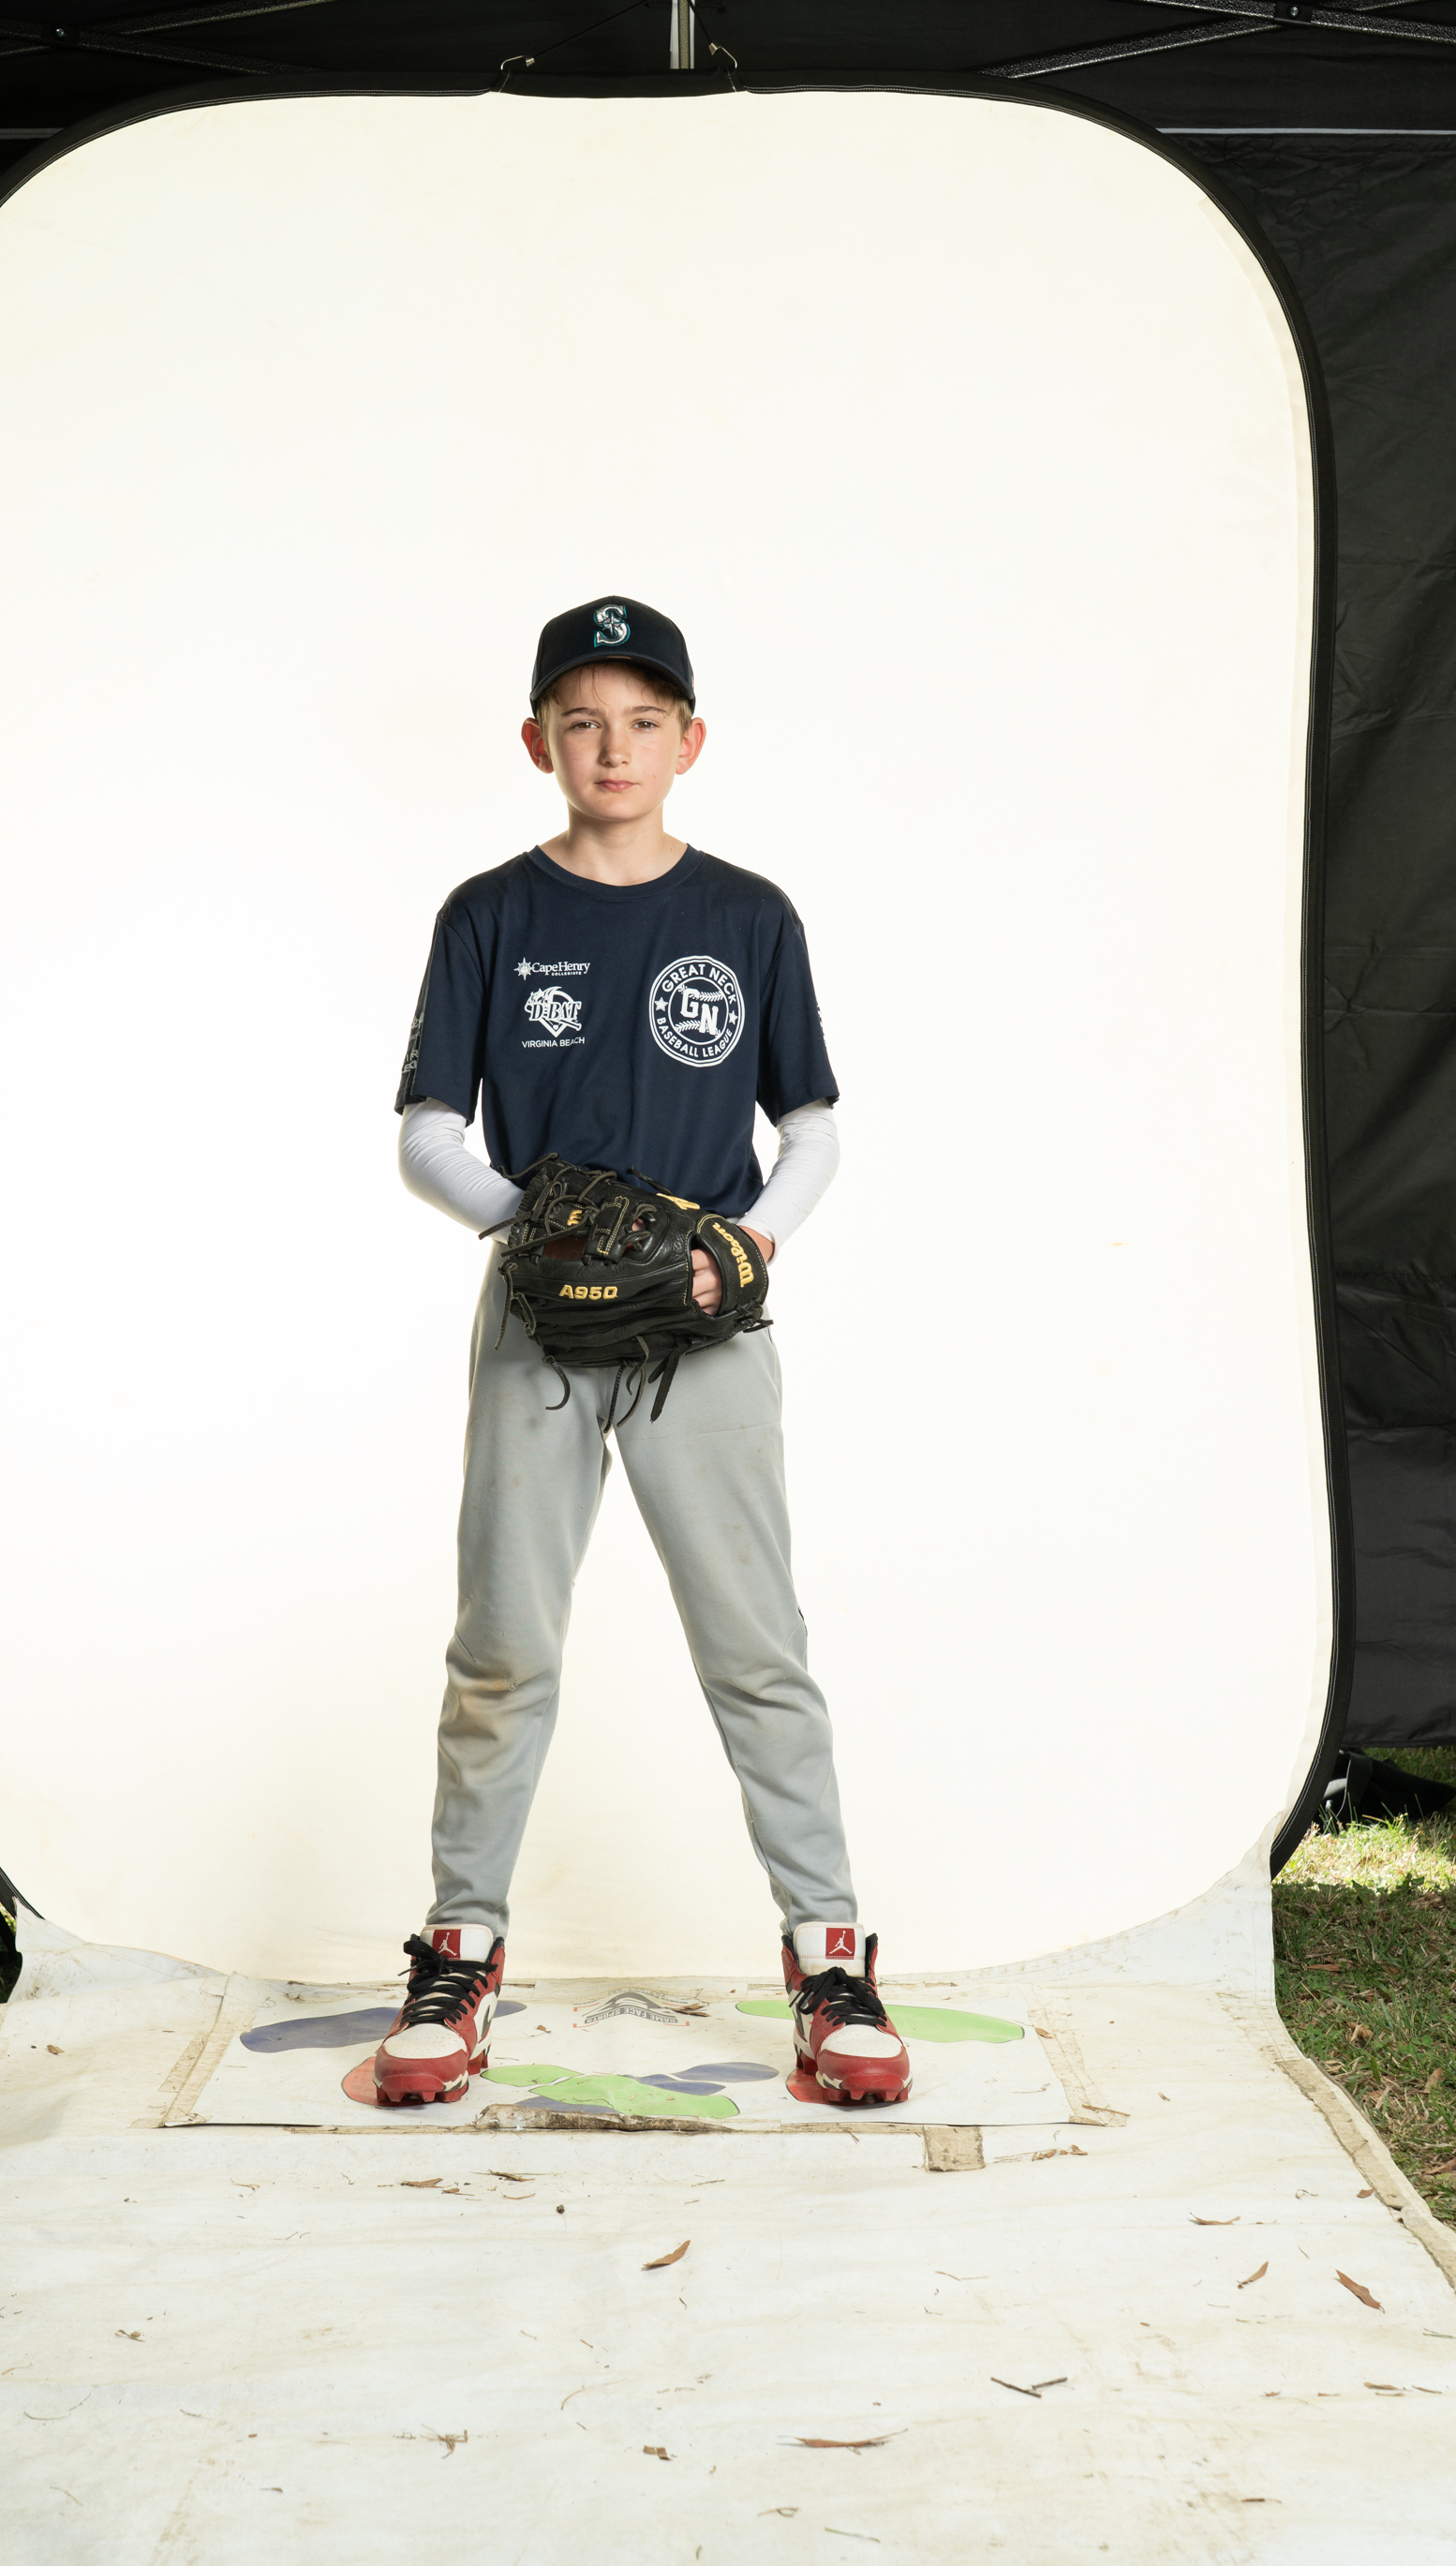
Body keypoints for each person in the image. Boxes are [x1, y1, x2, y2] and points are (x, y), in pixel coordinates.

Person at [381, 596, 908, 2111]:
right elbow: (425, 1128)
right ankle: (457, 1955)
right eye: (582, 721)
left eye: (641, 720)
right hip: (538, 1326)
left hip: (705, 1322)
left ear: (689, 739)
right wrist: (531, 1228)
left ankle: (826, 1960)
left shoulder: (746, 915)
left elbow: (809, 1127)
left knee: (755, 1645)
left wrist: (747, 1244)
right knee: (503, 1643)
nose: (611, 747)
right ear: (536, 739)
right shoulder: (488, 913)